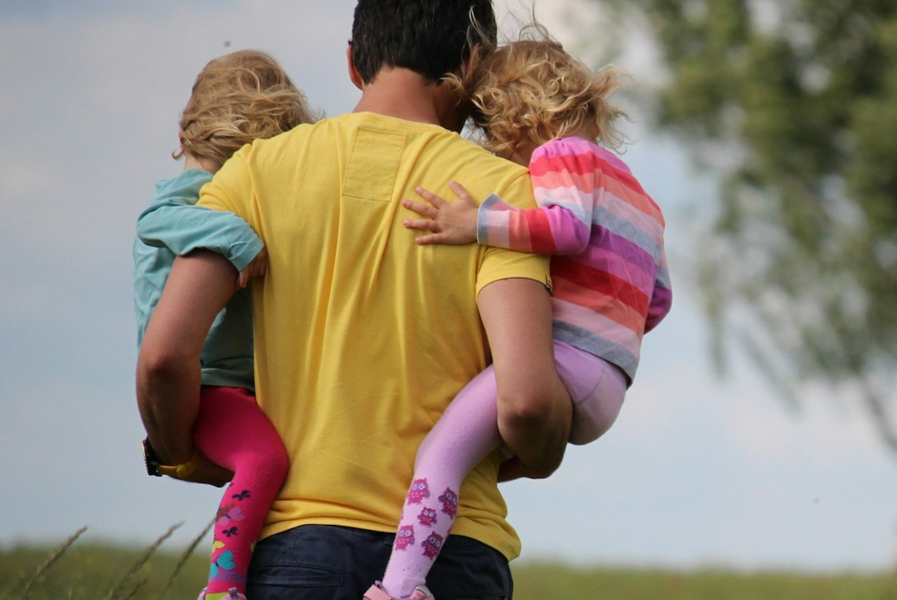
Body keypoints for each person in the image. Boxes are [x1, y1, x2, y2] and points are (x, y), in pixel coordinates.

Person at [135, 2, 574, 599]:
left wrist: (182, 453)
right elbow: (524, 402)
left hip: (297, 552)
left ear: (351, 62)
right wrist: (542, 453)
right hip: (451, 557)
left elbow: (164, 356)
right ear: (473, 65)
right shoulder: (503, 198)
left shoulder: (252, 173)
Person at [372, 33, 671, 600]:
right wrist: (608, 333)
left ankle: (399, 587)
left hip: (565, 365)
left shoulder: (563, 155)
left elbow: (566, 228)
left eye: (490, 132)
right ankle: (429, 536)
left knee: (439, 453)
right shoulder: (645, 202)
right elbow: (658, 302)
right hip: (610, 384)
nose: (495, 153)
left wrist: (477, 222)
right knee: (473, 458)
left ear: (518, 119)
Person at [133, 49, 314, 600]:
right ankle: (223, 585)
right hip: (209, 383)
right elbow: (155, 222)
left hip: (241, 383)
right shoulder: (189, 195)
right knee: (263, 460)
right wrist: (239, 239)